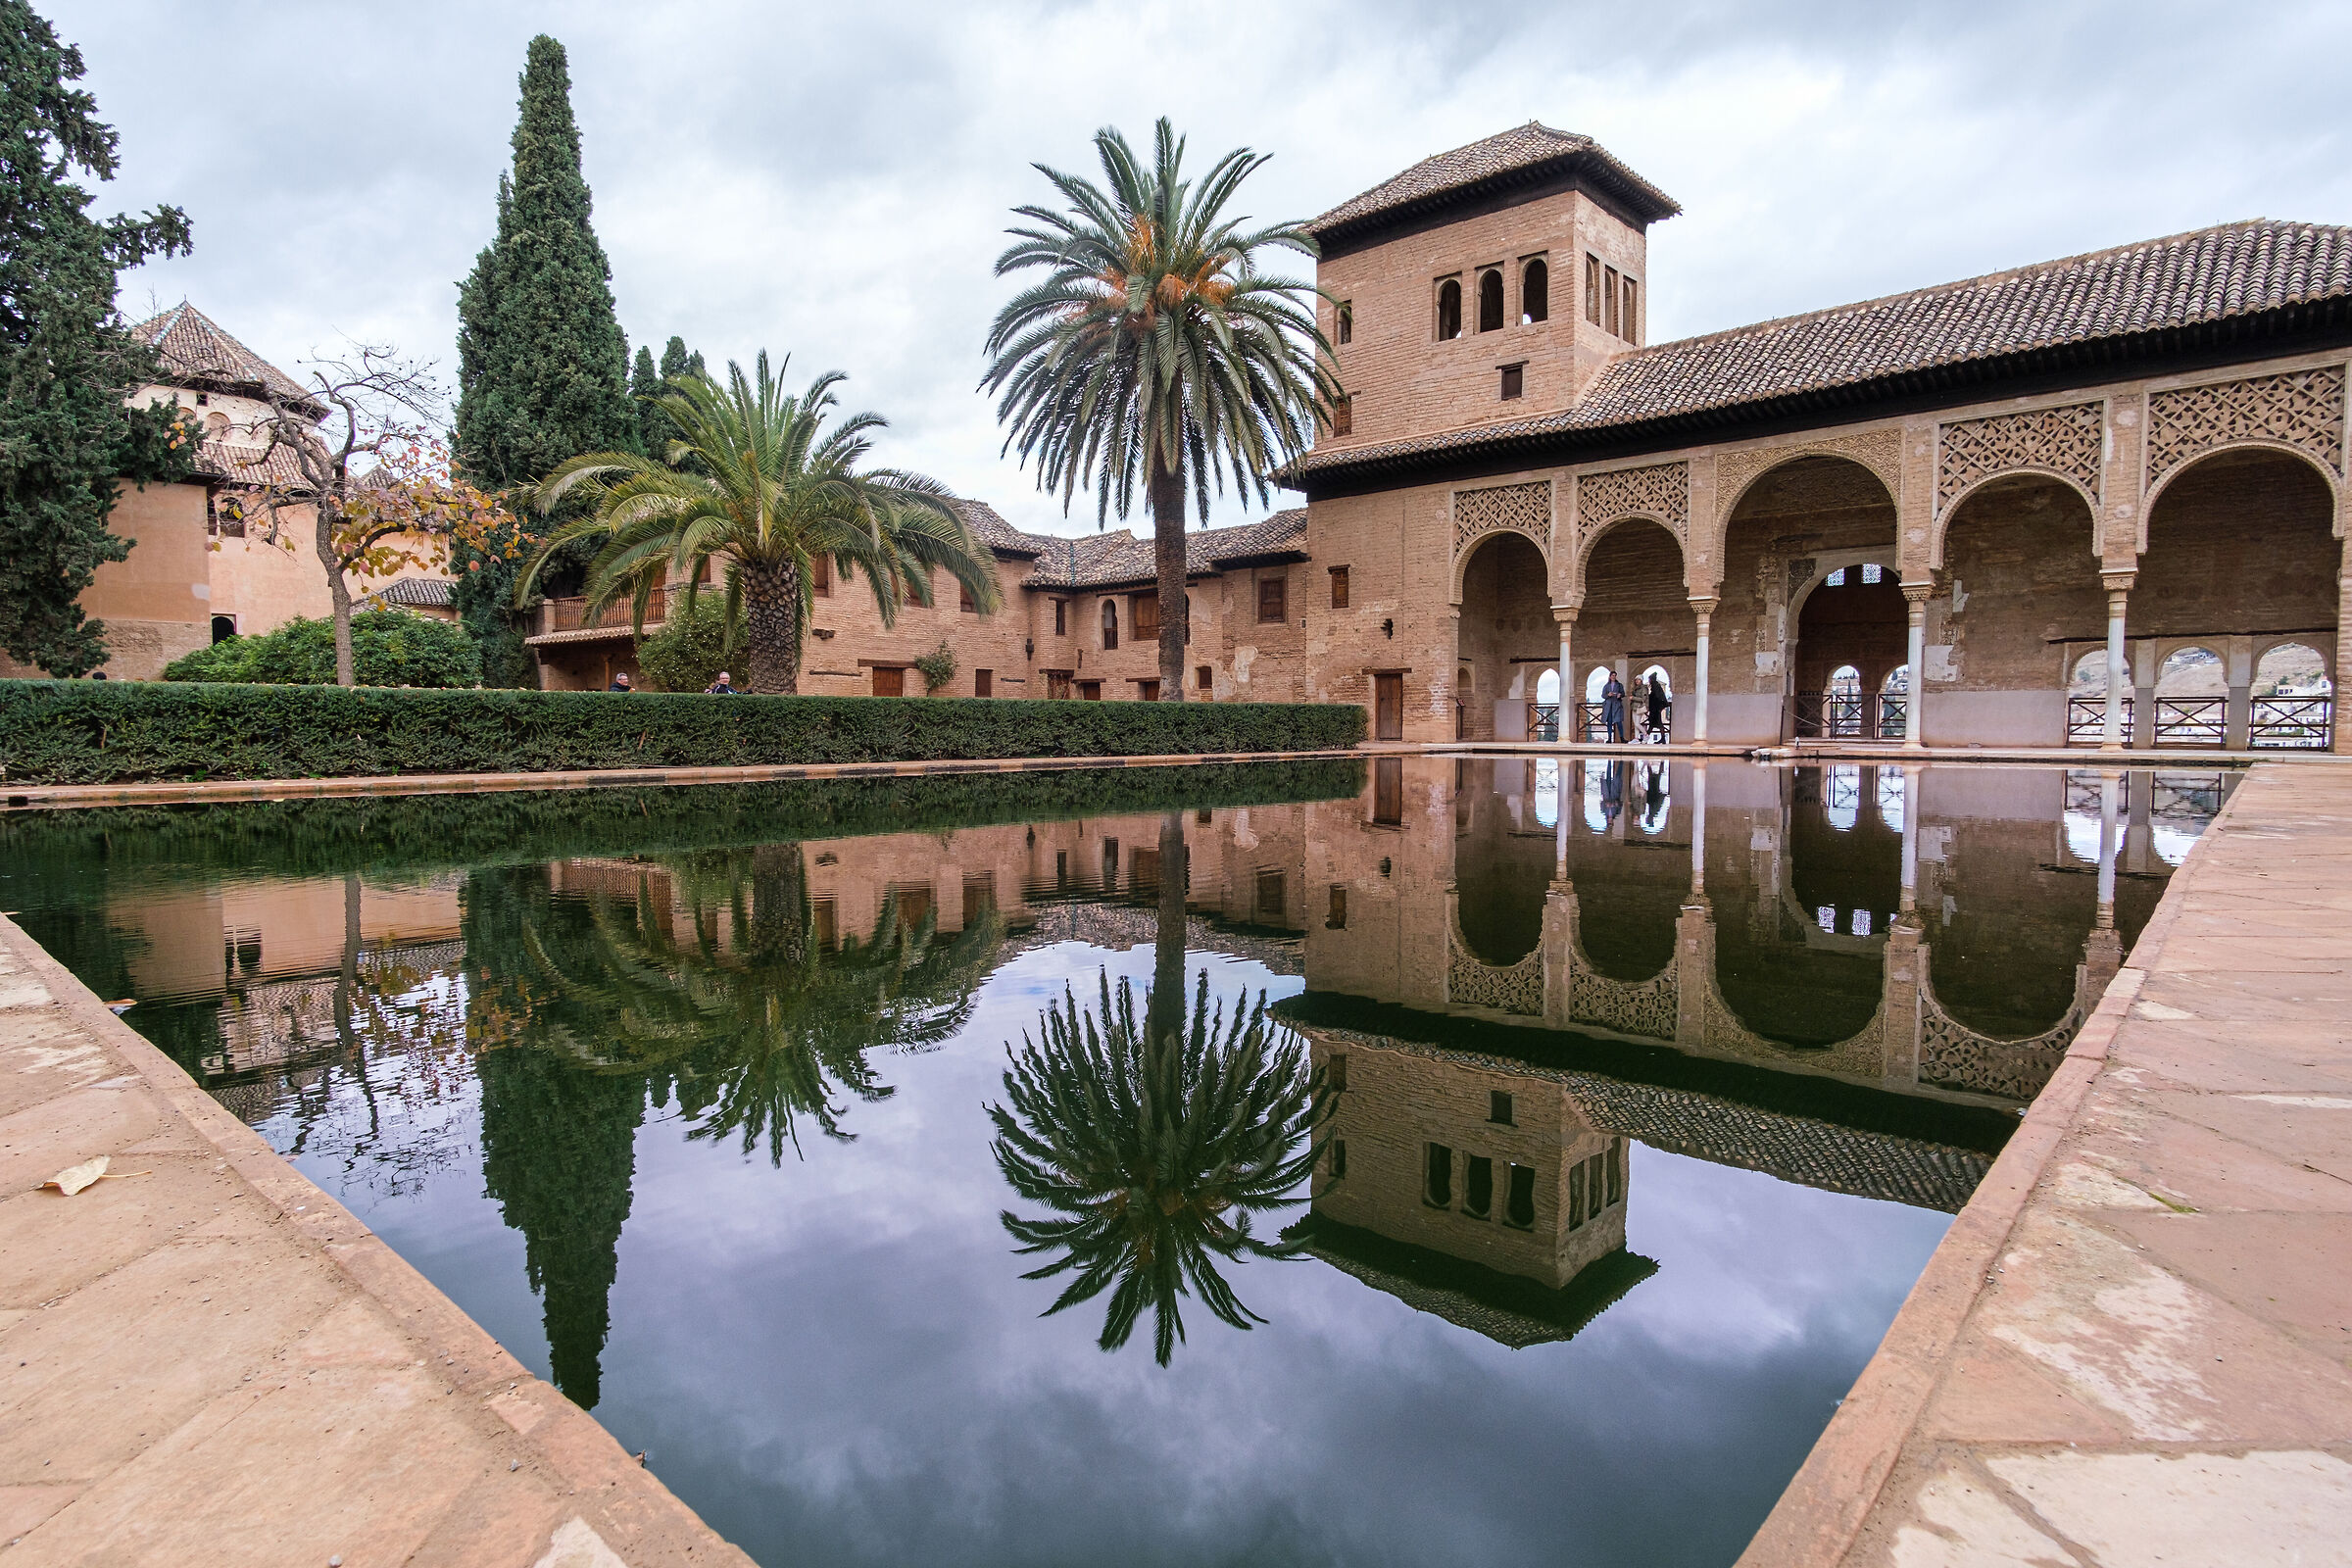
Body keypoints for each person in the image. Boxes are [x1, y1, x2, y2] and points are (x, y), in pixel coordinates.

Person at [1600, 671, 1625, 744]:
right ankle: (1609, 738)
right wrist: (1608, 695)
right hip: (1609, 706)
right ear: (1610, 676)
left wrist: (1619, 695)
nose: (1614, 677)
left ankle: (1622, 738)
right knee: (1610, 722)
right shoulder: (1606, 686)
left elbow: (1623, 693)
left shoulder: (1619, 685)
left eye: (1615, 675)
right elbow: (1603, 695)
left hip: (1617, 705)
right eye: (1612, 675)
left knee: (1619, 722)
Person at [1644, 673, 1669, 744]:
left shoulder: (1655, 687)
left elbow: (1656, 697)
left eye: (1649, 679)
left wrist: (1649, 697)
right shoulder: (1656, 686)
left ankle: (1647, 739)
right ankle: (1647, 738)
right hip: (1656, 709)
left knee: (1656, 724)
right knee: (1653, 724)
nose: (1649, 681)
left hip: (1655, 709)